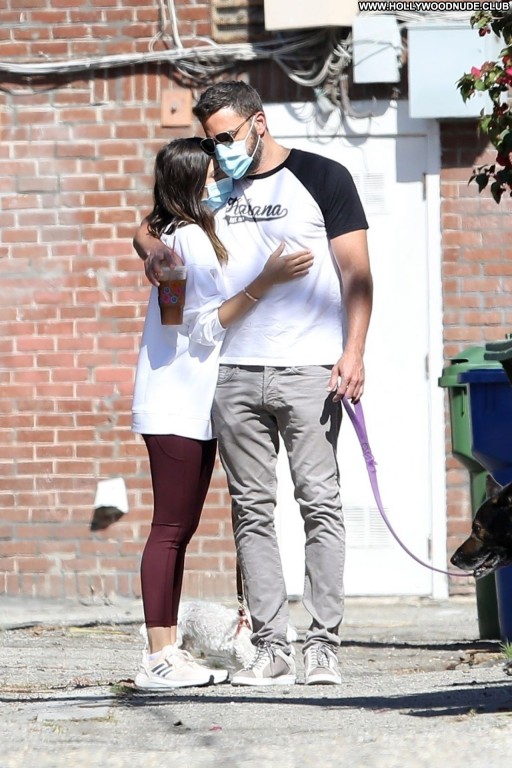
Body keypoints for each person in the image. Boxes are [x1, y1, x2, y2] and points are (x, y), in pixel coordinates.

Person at [133, 81, 373, 687]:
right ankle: (271, 648)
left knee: (319, 504)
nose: (220, 150)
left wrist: (353, 351)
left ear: (258, 122)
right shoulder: (217, 185)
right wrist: (149, 249)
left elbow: (356, 271)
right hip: (234, 372)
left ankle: (323, 646)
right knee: (251, 512)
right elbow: (156, 222)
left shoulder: (323, 177)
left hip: (310, 368)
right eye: (212, 140)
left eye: (227, 136)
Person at [131, 136, 313, 690]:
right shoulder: (187, 239)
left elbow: (149, 240)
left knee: (179, 528)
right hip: (175, 403)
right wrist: (265, 283)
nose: (223, 182)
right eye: (213, 176)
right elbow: (197, 327)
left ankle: (167, 650)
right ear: (192, 183)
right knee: (170, 528)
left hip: (192, 403)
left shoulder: (183, 233)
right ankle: (159, 656)